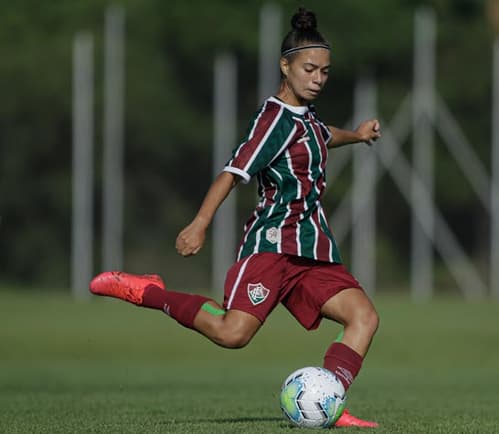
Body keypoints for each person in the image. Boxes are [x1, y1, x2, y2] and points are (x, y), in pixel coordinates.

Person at [89, 7, 381, 428]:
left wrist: (357, 135)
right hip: (271, 247)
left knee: (365, 317)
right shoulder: (271, 120)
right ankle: (149, 292)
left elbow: (321, 135)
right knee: (232, 334)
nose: (318, 78)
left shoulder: (307, 119)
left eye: (325, 71)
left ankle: (329, 402)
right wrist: (200, 223)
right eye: (310, 69)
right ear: (286, 66)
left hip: (312, 250)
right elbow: (232, 173)